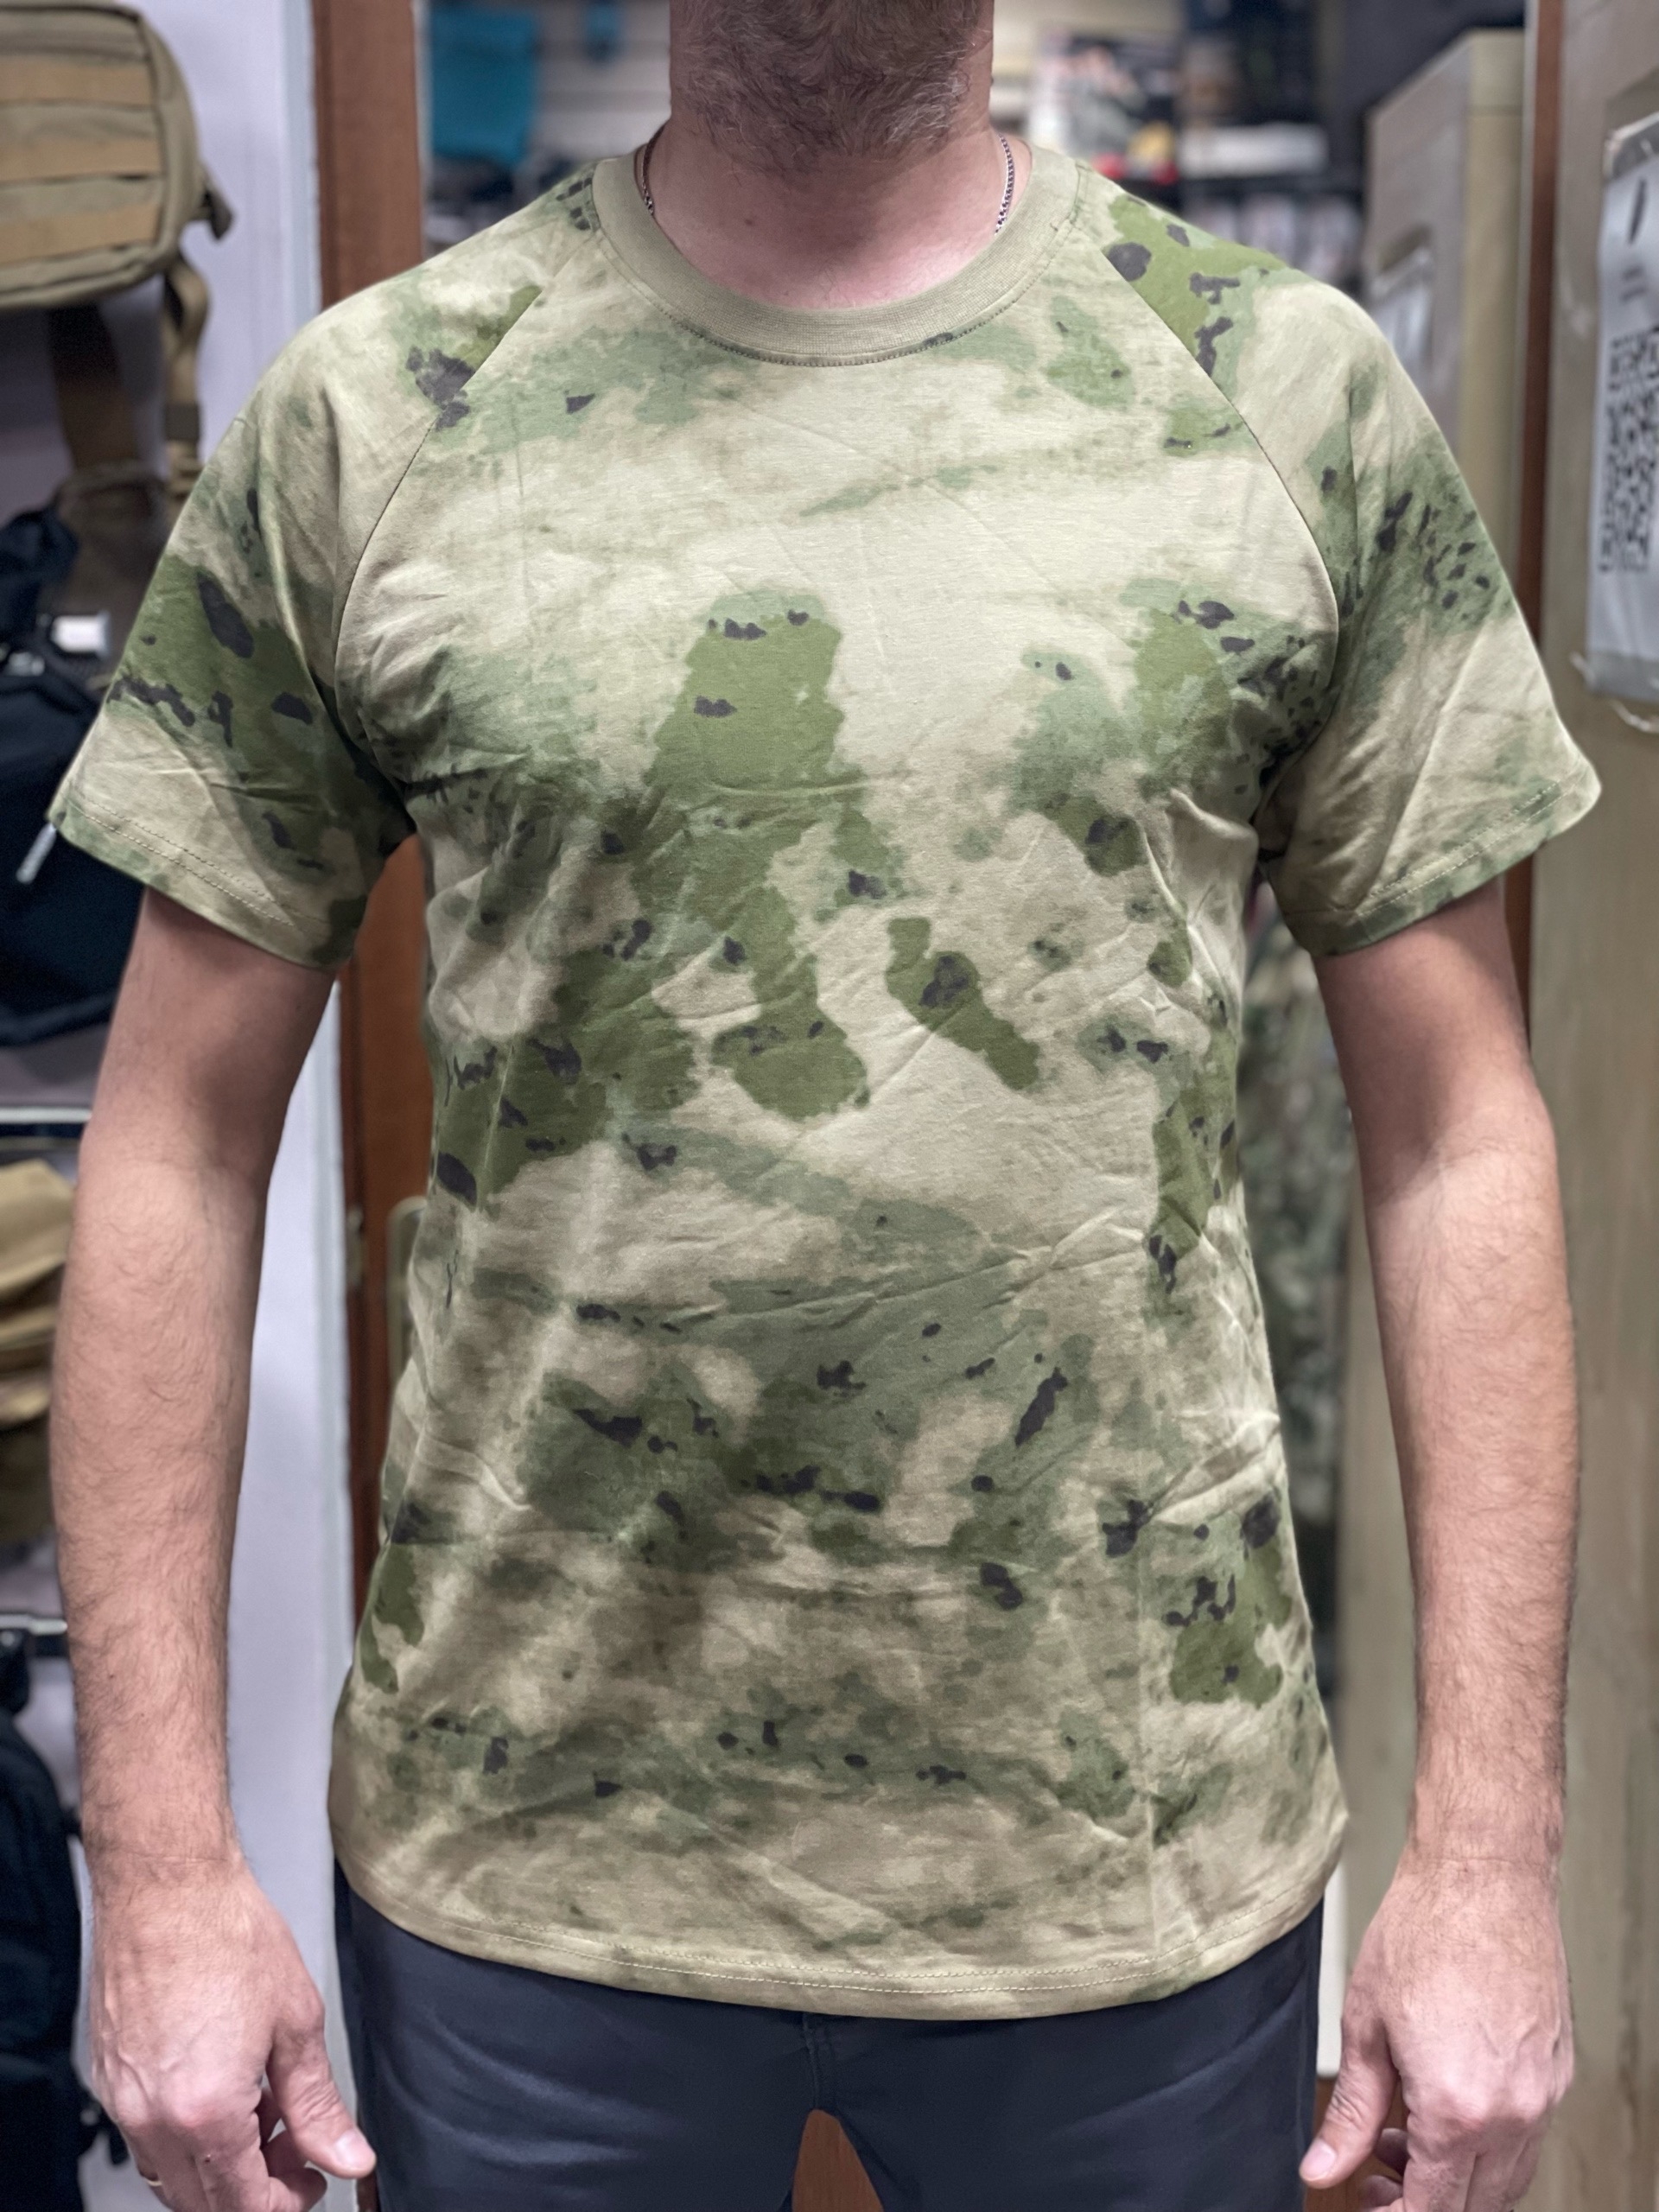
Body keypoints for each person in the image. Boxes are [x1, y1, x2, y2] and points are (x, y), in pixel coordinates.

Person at [48, 3, 1593, 2208]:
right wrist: (159, 1862)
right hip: (527, 1876)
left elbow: (1461, 1137)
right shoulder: (385, 413)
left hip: (1136, 1861)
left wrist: (1494, 1853)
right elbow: (175, 1149)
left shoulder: (1282, 393)